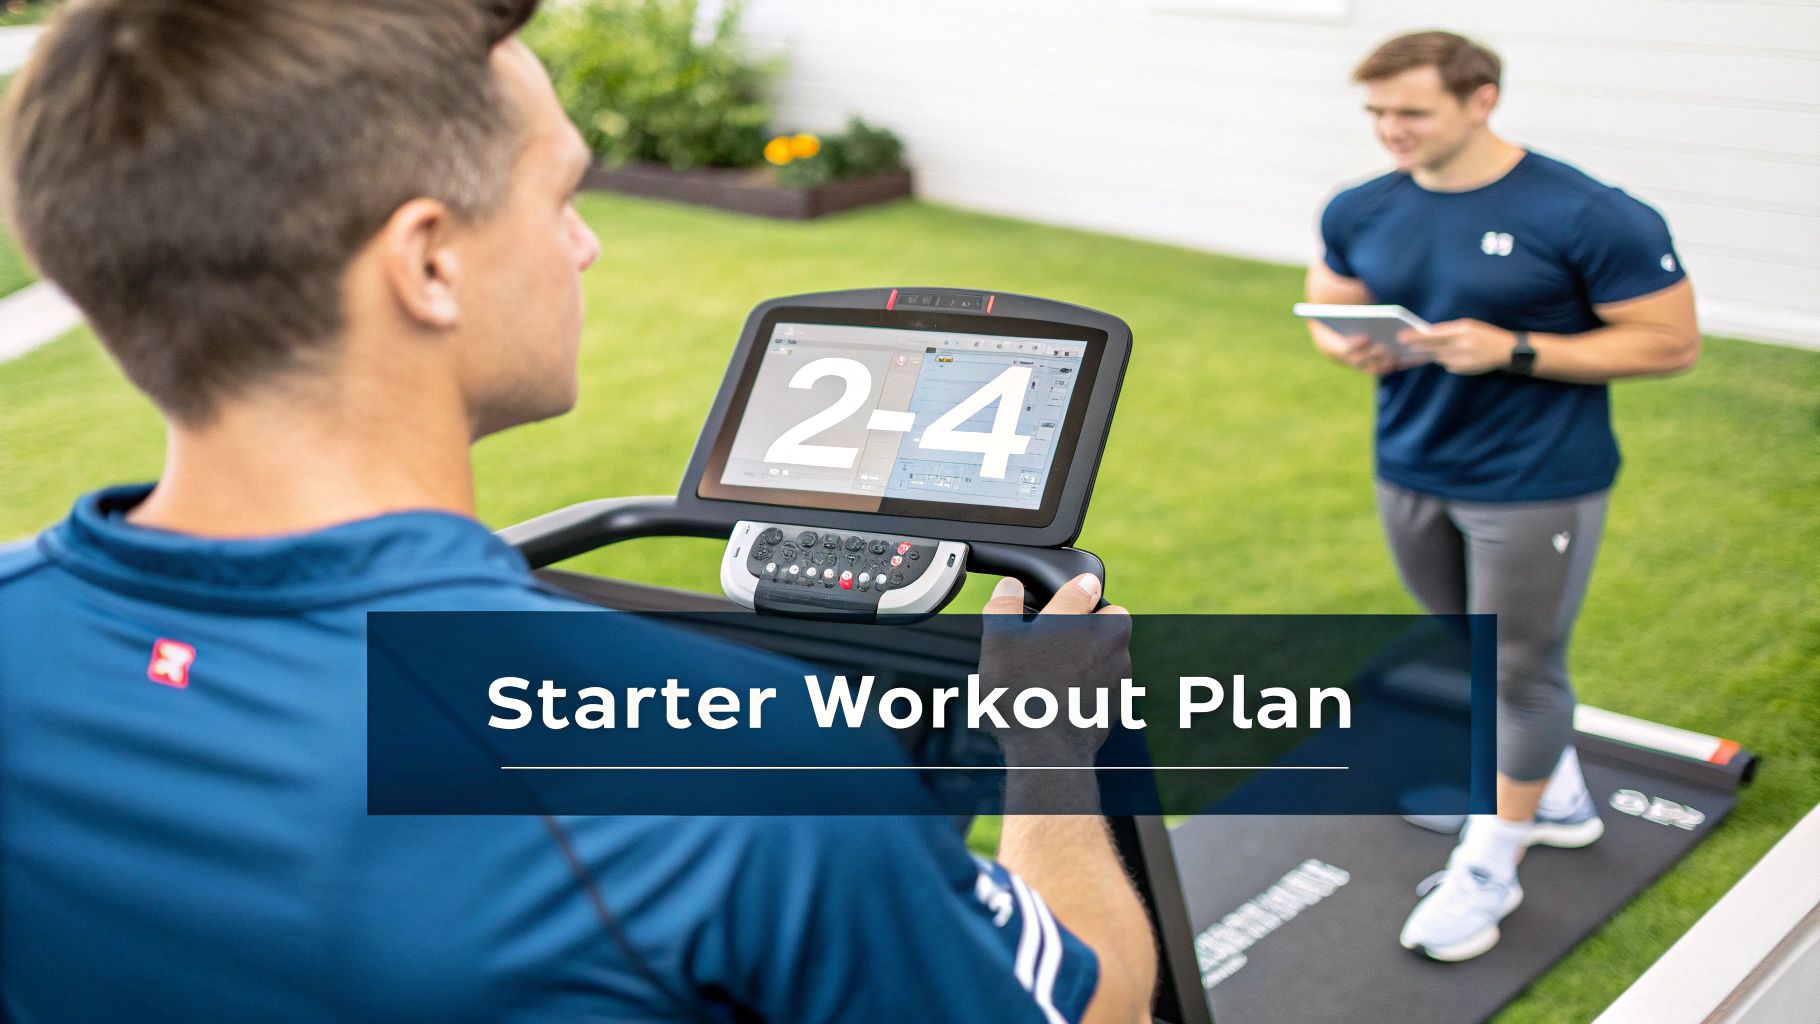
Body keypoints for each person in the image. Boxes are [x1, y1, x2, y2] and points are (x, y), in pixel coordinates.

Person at [0, 1, 1155, 1020]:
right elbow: (1085, 1004)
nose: (585, 244)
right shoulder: (725, 763)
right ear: (429, 263)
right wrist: (1048, 750)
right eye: (560, 193)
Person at [1305, 30, 1700, 962]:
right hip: (1409, 464)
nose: (1388, 130)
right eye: (1376, 113)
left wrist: (1515, 348)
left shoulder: (1589, 213)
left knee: (1521, 669)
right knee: (1471, 647)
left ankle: (1492, 861)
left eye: (1411, 111)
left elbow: (1669, 343)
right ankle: (1552, 798)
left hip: (1534, 481)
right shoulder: (1362, 205)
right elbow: (1329, 294)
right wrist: (1347, 344)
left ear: (1481, 100)